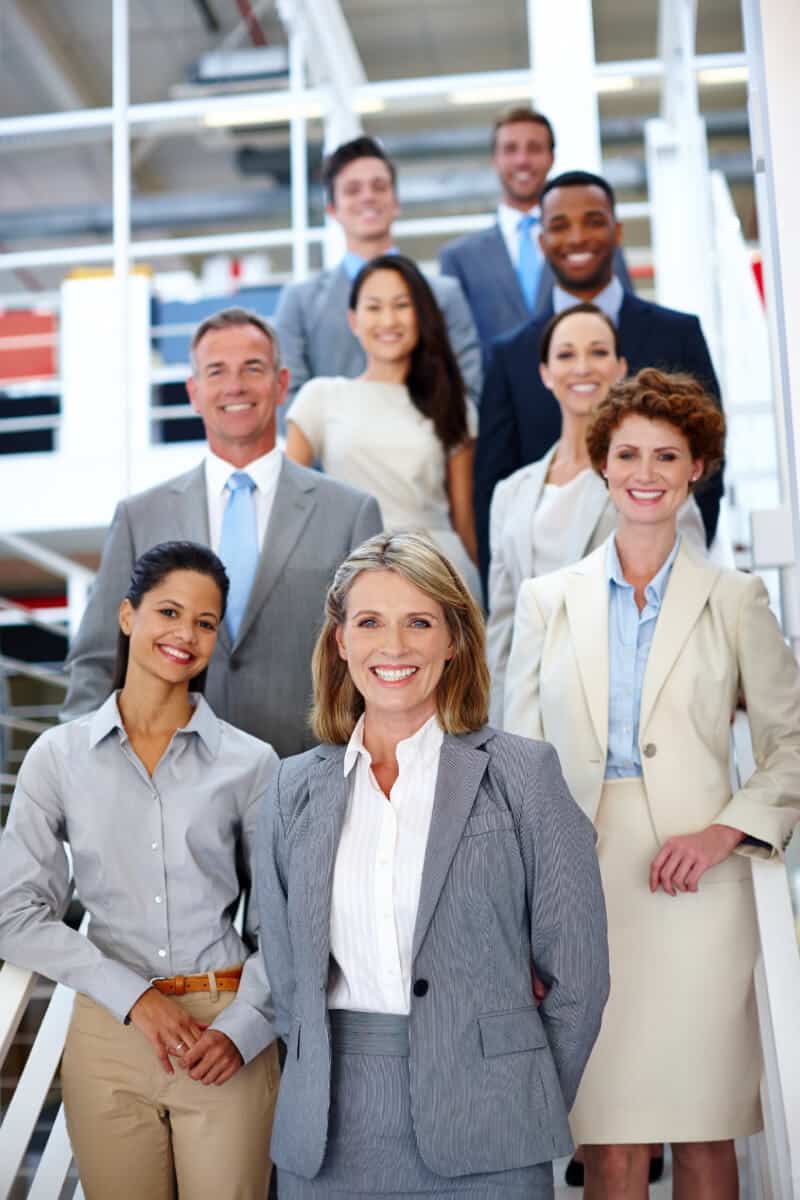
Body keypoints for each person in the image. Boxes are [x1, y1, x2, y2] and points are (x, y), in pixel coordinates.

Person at [504, 370, 800, 1199]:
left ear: (696, 468)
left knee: (707, 1131)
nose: (646, 471)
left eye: (667, 455)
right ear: (603, 465)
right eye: (628, 452)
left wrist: (724, 831)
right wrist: (525, 906)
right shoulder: (546, 602)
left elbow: (791, 744)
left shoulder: (738, 599)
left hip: (701, 884)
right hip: (580, 883)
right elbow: (515, 763)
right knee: (608, 1142)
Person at [256, 530, 609, 1199]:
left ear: (454, 639)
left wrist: (518, 1095)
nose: (393, 648)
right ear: (340, 643)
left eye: (419, 622)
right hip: (328, 1137)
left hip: (491, 1130)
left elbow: (581, 980)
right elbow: (286, 982)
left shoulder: (523, 776)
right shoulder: (290, 789)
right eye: (370, 623)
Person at [0, 541, 281, 1200]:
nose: (185, 634)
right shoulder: (58, 757)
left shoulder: (251, 763)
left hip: (226, 1029)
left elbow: (285, 924)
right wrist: (136, 997)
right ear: (127, 617)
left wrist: (244, 1030)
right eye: (169, 612)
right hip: (110, 1031)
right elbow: (13, 913)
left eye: (205, 623)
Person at [61, 307, 382, 758]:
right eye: (217, 371)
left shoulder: (351, 512)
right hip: (168, 786)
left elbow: (373, 656)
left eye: (253, 368)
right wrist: (83, 767)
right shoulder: (140, 517)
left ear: (281, 383)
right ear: (194, 392)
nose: (235, 386)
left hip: (311, 777)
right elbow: (96, 660)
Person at [474, 170, 724, 587]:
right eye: (559, 225)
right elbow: (491, 482)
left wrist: (677, 571)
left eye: (593, 220)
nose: (577, 237)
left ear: (616, 230)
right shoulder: (510, 353)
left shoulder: (676, 335)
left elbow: (709, 463)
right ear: (541, 242)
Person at [486, 304, 706, 723]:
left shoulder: (651, 480)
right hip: (531, 707)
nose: (582, 367)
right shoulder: (510, 493)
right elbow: (502, 624)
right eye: (566, 355)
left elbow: (688, 597)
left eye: (599, 352)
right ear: (545, 373)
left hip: (627, 708)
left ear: (621, 367)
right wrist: (498, 723)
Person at [285, 254, 481, 602]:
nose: (388, 320)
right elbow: (288, 510)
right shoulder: (320, 397)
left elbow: (463, 520)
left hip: (440, 573)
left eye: (402, 305)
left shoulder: (453, 404)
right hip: (356, 573)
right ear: (353, 320)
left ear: (421, 315)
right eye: (374, 307)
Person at [274, 135, 482, 408]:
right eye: (352, 190)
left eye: (379, 186)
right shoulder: (299, 302)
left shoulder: (445, 295)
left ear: (396, 202)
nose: (368, 197)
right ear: (332, 210)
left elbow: (470, 390)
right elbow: (288, 402)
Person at [440, 108, 631, 356]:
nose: (522, 160)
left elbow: (627, 322)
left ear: (551, 157)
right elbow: (454, 348)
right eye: (510, 149)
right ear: (494, 159)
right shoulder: (459, 258)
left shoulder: (594, 244)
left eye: (534, 148)